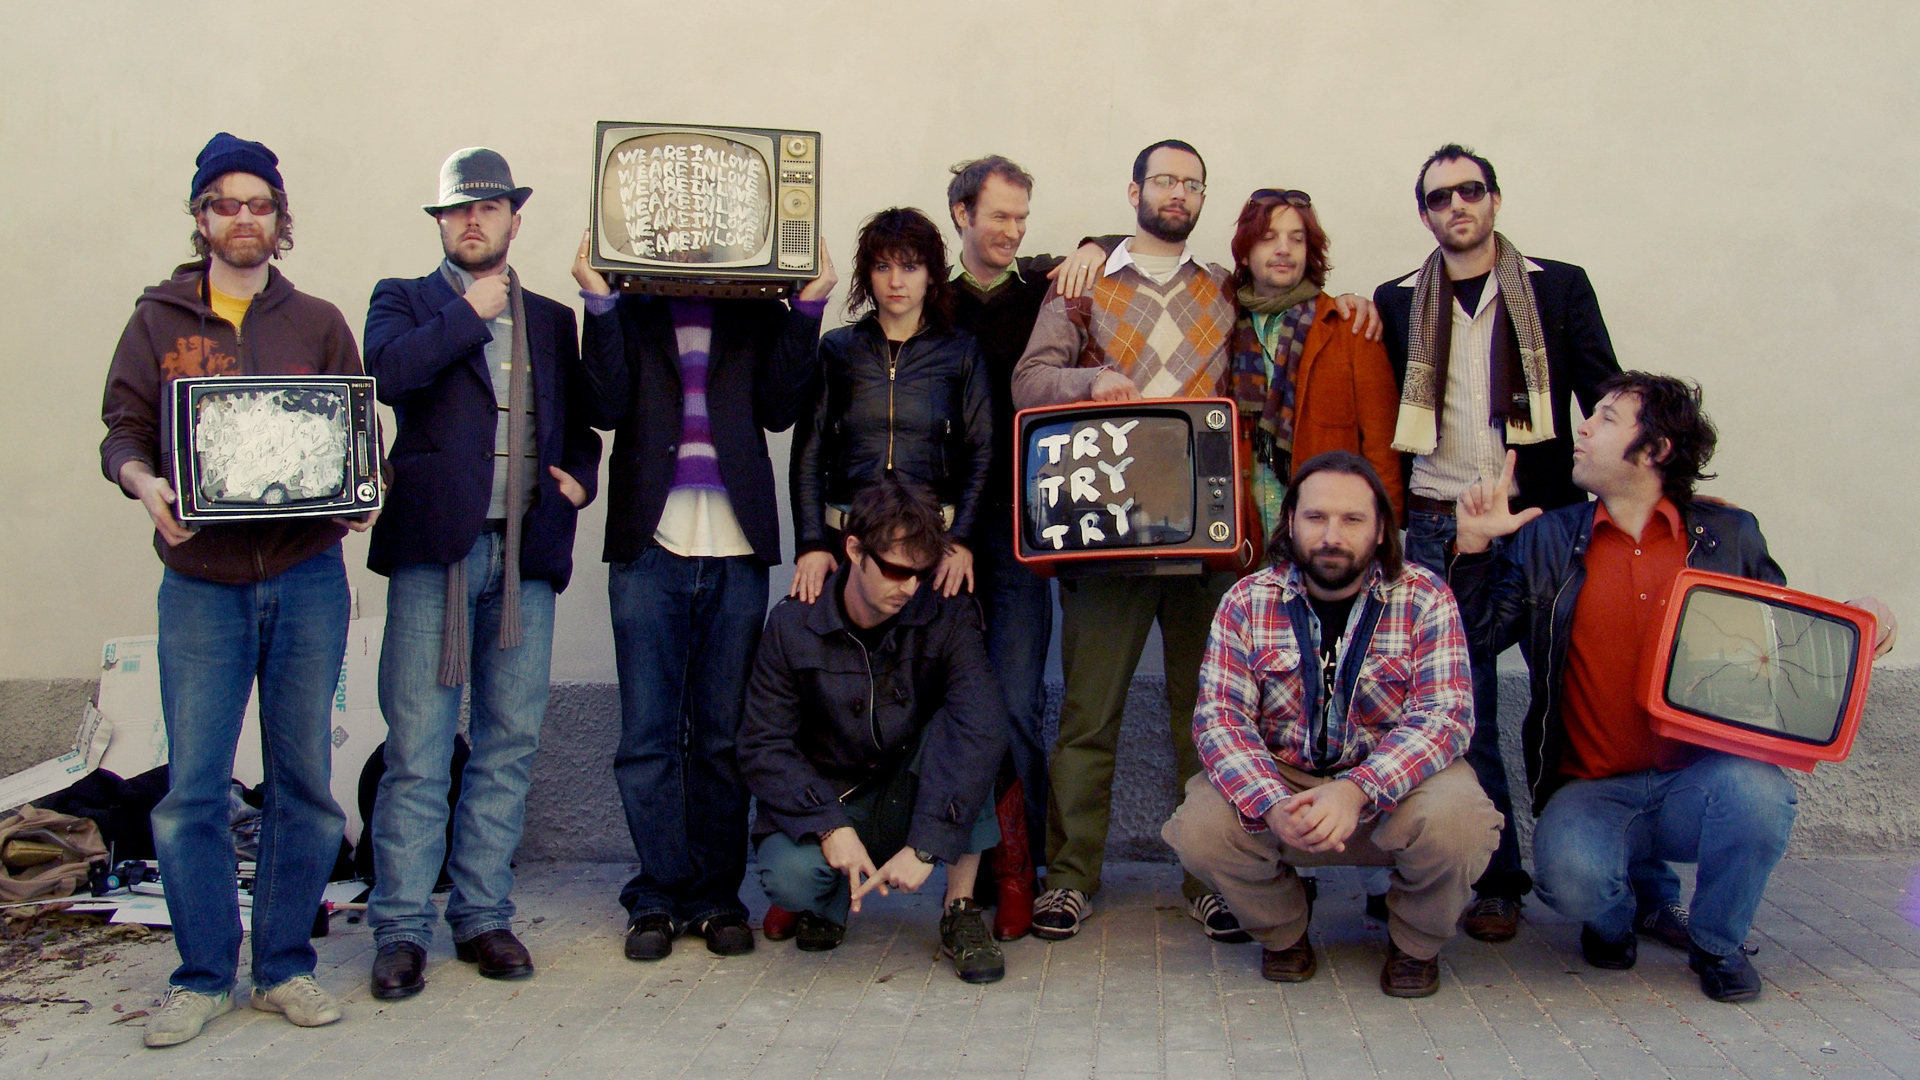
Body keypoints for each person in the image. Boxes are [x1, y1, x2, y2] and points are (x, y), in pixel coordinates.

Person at [1012, 140, 1378, 944]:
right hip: (1107, 534)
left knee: (1210, 719)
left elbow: (1292, 305)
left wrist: (1350, 301)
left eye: (1192, 183)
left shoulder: (1223, 287)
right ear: (1135, 190)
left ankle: (1210, 879)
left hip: (1209, 537)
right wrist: (1089, 380)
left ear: (1203, 199)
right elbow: (1028, 380)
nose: (1178, 193)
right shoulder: (1084, 282)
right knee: (1087, 717)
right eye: (1165, 180)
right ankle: (1069, 878)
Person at [1449, 373, 1897, 1002]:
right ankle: (1614, 917)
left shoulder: (1729, 535)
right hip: (1592, 789)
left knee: (1761, 796)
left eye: (1606, 418)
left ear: (1655, 449)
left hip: (1698, 783)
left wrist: (1867, 620)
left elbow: (1782, 644)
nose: (1583, 428)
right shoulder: (1547, 537)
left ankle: (1716, 944)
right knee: (1571, 881)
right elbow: (1474, 642)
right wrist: (1473, 550)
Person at [101, 133, 362, 1046]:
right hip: (201, 583)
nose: (243, 217)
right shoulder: (156, 321)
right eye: (226, 203)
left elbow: (353, 435)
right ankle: (203, 976)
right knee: (193, 792)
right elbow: (122, 430)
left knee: (305, 785)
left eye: (259, 203)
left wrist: (361, 490)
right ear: (201, 216)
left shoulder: (318, 320)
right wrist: (143, 483)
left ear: (279, 218)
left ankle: (284, 968)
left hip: (307, 574)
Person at [360, 148, 602, 999]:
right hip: (437, 552)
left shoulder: (550, 319)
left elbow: (580, 425)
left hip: (526, 550)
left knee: (510, 744)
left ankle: (482, 916)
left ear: (513, 219)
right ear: (440, 223)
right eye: (459, 209)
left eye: (489, 207)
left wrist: (580, 481)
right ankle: (400, 928)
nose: (474, 220)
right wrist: (469, 313)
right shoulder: (404, 300)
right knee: (419, 749)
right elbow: (387, 377)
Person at [573, 204, 836, 960]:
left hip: (735, 543)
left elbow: (781, 409)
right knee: (648, 738)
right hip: (647, 543)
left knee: (723, 737)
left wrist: (808, 304)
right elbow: (603, 404)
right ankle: (657, 895)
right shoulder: (632, 305)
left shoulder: (755, 307)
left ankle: (718, 895)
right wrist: (599, 300)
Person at [1373, 143, 1622, 941]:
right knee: (1461, 700)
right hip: (1439, 524)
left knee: (1572, 690)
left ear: (1495, 200)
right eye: (1440, 197)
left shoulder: (1559, 287)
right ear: (1424, 215)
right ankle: (1493, 879)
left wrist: (1657, 485)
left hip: (1542, 521)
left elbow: (1607, 394)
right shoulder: (1396, 301)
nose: (1457, 206)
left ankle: (1605, 877)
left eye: (1470, 190)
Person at [1162, 451, 1499, 997]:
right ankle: (1283, 931)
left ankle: (1415, 944)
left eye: (1352, 519)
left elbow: (1446, 716)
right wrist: (1271, 802)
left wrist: (1357, 789)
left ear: (1381, 528)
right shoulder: (1246, 600)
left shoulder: (1425, 596)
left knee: (1462, 821)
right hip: (1286, 784)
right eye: (1316, 517)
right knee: (1200, 825)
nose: (1331, 536)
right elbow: (1219, 720)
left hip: (1391, 788)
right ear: (1291, 521)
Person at [738, 477, 1011, 984]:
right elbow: (762, 744)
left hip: (914, 786)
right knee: (790, 879)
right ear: (854, 551)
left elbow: (981, 725)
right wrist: (828, 825)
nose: (910, 587)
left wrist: (927, 845)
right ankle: (832, 900)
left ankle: (960, 908)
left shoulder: (947, 613)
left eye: (921, 573)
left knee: (968, 736)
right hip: (836, 795)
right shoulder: (793, 625)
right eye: (895, 570)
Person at [941, 155, 1104, 939]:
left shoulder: (1044, 288)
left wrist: (1094, 244)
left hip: (1020, 530)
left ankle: (1020, 864)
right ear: (961, 215)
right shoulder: (930, 301)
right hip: (941, 536)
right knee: (941, 703)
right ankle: (949, 862)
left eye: (1022, 218)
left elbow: (1118, 248)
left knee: (1015, 704)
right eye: (999, 216)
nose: (1012, 231)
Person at [789, 207, 990, 607]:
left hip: (935, 547)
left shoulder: (960, 351)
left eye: (910, 267)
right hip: (847, 540)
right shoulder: (838, 349)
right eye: (883, 266)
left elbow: (982, 451)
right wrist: (810, 543)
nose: (896, 281)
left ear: (931, 274)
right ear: (868, 274)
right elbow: (809, 453)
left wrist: (962, 538)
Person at [1227, 188, 1403, 538]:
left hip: (1330, 538)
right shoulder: (1223, 323)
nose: (1284, 249)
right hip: (1246, 534)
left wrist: (1383, 535)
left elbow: (1383, 449)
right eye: (1268, 238)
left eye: (1297, 239)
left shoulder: (1350, 327)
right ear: (1245, 253)